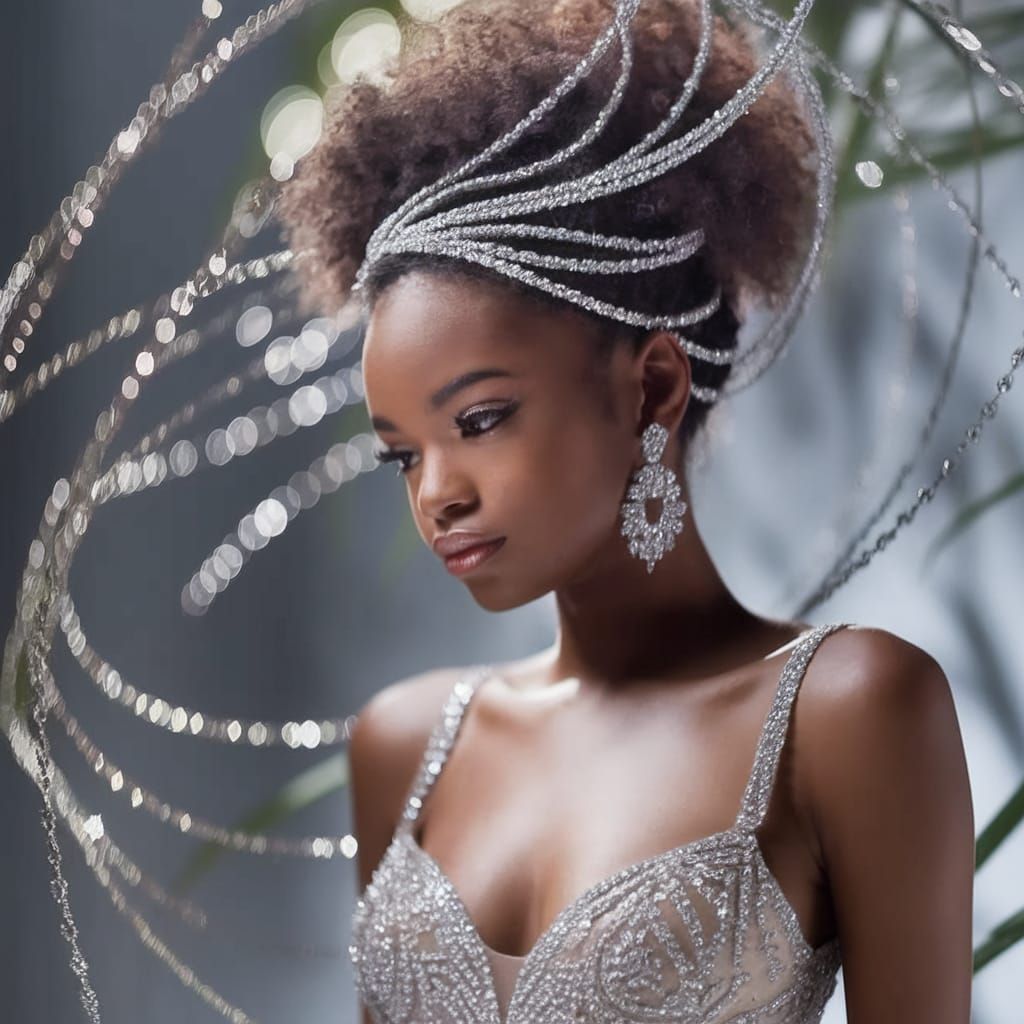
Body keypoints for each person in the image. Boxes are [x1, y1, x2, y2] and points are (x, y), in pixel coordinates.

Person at [276, 0, 976, 1020]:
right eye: (402, 455)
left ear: (652, 387)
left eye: (480, 419)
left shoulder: (850, 713)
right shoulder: (404, 745)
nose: (436, 494)